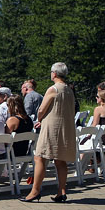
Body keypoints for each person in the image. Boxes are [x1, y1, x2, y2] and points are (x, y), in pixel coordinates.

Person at [24, 62, 77, 202]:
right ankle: (62, 191)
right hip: (65, 126)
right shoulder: (69, 90)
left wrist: (40, 118)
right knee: (60, 159)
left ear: (54, 73)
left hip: (52, 127)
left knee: (40, 157)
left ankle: (35, 191)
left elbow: (41, 109)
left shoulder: (53, 89)